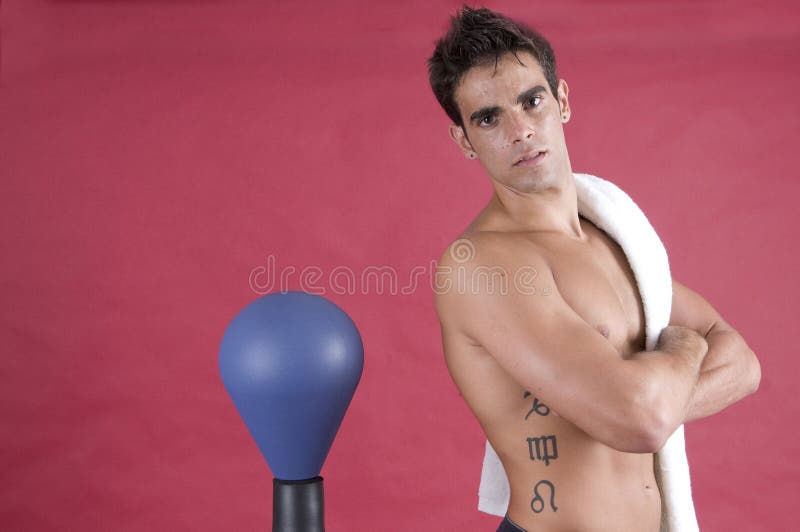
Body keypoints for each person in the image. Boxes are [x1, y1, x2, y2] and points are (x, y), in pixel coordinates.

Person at [428, 7, 761, 532]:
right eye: (488, 118)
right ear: (465, 141)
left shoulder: (614, 237)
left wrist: (647, 405)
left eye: (531, 101)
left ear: (561, 101)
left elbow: (744, 364)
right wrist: (686, 347)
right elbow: (642, 419)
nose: (519, 130)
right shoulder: (483, 266)